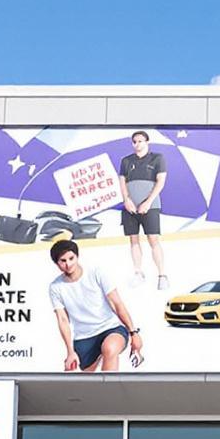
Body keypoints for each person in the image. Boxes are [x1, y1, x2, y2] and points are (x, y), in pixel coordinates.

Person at [42, 238, 147, 372]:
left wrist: (133, 332)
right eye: (63, 261)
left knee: (109, 349)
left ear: (77, 256)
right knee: (84, 383)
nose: (68, 264)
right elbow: (63, 320)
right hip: (84, 338)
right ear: (57, 263)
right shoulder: (56, 287)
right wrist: (70, 352)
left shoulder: (96, 273)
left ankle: (107, 391)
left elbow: (117, 303)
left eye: (71, 258)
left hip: (111, 329)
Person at [117, 130, 169, 290]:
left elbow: (160, 182)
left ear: (147, 142)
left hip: (150, 207)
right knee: (133, 240)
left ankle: (162, 276)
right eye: (134, 141)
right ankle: (138, 273)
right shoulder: (126, 161)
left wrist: (147, 202)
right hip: (130, 207)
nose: (137, 144)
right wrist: (127, 201)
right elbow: (122, 182)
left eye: (140, 141)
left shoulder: (157, 158)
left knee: (153, 239)